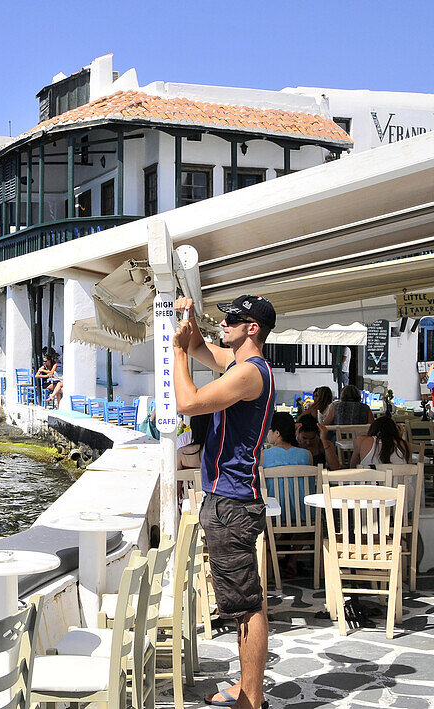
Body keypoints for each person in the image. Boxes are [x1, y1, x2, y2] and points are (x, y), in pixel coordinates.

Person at [173, 294, 275, 709]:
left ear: (253, 328)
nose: (225, 324)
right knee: (240, 604)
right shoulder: (239, 365)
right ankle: (247, 689)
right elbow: (201, 346)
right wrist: (188, 320)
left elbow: (188, 402)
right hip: (230, 499)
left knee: (247, 606)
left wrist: (177, 353)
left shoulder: (249, 374)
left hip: (232, 502)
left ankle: (250, 699)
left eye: (233, 319)